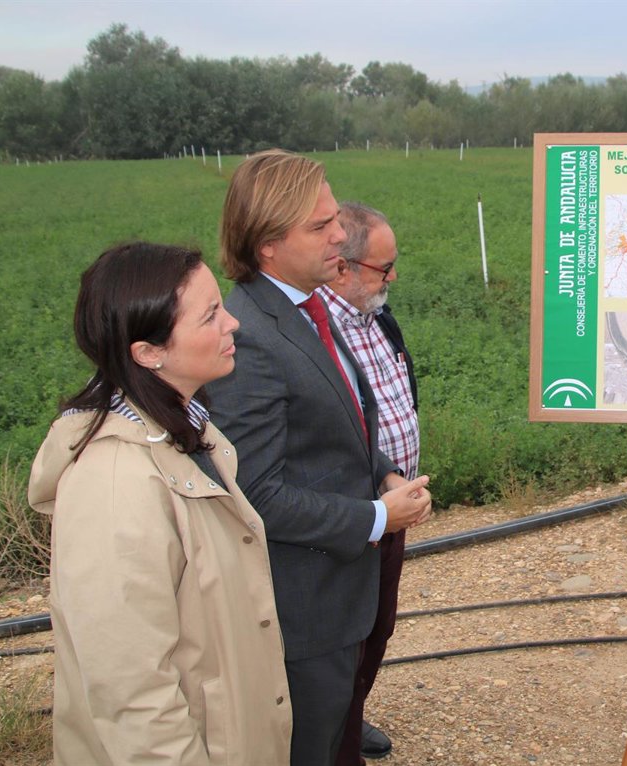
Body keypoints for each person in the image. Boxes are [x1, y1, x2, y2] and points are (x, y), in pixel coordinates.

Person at [206, 150, 432, 765]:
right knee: (311, 744)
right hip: (304, 603)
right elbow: (256, 493)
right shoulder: (251, 336)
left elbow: (338, 423)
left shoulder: (306, 310)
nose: (338, 234)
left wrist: (382, 469)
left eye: (334, 218)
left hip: (337, 585)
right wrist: (377, 517)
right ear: (267, 245)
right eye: (319, 225)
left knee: (336, 733)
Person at [28, 242, 291, 764]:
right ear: (148, 353)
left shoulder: (188, 433)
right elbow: (131, 694)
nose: (233, 324)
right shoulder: (114, 485)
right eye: (210, 316)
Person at [316, 202, 420, 764]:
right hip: (349, 518)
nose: (393, 277)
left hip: (390, 508)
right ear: (344, 266)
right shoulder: (317, 329)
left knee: (377, 629)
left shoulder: (375, 314)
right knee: (342, 639)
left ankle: (348, 719)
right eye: (384, 267)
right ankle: (335, 739)